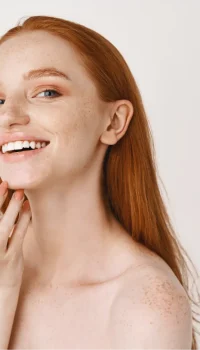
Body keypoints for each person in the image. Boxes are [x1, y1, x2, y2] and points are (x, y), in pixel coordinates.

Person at [0, 15, 199, 350]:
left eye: (47, 92)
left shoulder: (147, 307)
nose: (9, 116)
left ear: (114, 121)